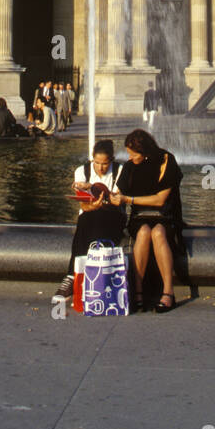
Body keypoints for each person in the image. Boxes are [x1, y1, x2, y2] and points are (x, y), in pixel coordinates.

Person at [110, 129, 184, 312]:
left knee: (158, 232)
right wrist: (97, 192)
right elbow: (117, 194)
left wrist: (129, 200)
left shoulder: (167, 160)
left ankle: (168, 292)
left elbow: (160, 200)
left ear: (145, 151)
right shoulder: (130, 166)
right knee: (143, 232)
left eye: (134, 154)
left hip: (165, 216)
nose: (131, 157)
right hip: (139, 218)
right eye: (129, 153)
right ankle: (138, 291)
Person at [54, 140, 124, 301]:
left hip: (113, 216)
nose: (100, 168)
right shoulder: (82, 171)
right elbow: (84, 206)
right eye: (97, 163)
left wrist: (92, 188)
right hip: (89, 216)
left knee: (93, 220)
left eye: (105, 164)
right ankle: (73, 277)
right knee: (88, 217)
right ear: (92, 159)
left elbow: (117, 200)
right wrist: (92, 203)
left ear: (112, 160)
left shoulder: (120, 170)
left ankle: (74, 277)